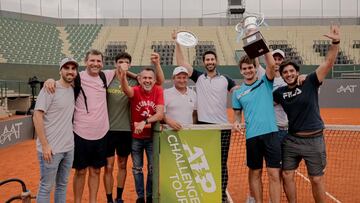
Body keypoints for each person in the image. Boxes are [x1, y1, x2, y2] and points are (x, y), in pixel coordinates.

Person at [273, 25, 340, 203]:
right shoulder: (280, 92)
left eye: (291, 71)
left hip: (314, 140)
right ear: (282, 75)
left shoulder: (310, 82)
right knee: (287, 174)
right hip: (292, 139)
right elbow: (264, 103)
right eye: (285, 72)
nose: (288, 74)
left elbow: (328, 63)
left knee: (316, 179)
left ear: (297, 72)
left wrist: (335, 42)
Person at [172, 31, 237, 202]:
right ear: (203, 62)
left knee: (222, 164)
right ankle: (204, 192)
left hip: (222, 128)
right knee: (203, 162)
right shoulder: (199, 77)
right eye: (207, 60)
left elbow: (240, 95)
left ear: (216, 61)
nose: (210, 62)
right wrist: (177, 42)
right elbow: (182, 63)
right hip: (202, 126)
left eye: (212, 59)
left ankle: (221, 194)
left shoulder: (227, 79)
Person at [104, 52, 164, 203]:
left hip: (131, 131)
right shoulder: (108, 78)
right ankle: (116, 198)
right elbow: (126, 89)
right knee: (113, 167)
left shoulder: (139, 82)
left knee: (137, 166)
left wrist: (126, 72)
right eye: (120, 62)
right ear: (115, 63)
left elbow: (154, 80)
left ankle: (131, 197)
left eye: (126, 62)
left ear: (130, 64)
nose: (123, 64)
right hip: (113, 130)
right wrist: (122, 74)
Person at [232, 51, 281, 203]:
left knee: (274, 173)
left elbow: (272, 65)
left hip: (271, 134)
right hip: (252, 136)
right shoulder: (237, 93)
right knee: (255, 173)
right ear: (241, 70)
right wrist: (236, 121)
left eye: (250, 68)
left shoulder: (265, 82)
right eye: (245, 68)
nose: (248, 71)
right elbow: (237, 114)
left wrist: (263, 49)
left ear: (255, 68)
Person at [33, 57, 78, 203]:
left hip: (68, 147)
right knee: (46, 187)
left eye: (73, 68)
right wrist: (45, 145)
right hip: (51, 150)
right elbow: (37, 116)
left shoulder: (73, 88)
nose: (70, 71)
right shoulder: (50, 88)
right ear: (60, 71)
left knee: (62, 185)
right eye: (67, 68)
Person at [119, 66, 164, 203]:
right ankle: (140, 197)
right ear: (139, 79)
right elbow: (126, 89)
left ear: (154, 80)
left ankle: (149, 196)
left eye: (150, 78)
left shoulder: (158, 90)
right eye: (144, 78)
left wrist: (144, 122)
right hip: (136, 138)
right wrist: (123, 74)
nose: (147, 80)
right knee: (137, 169)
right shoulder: (135, 91)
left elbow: (160, 114)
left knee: (152, 169)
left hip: (151, 138)